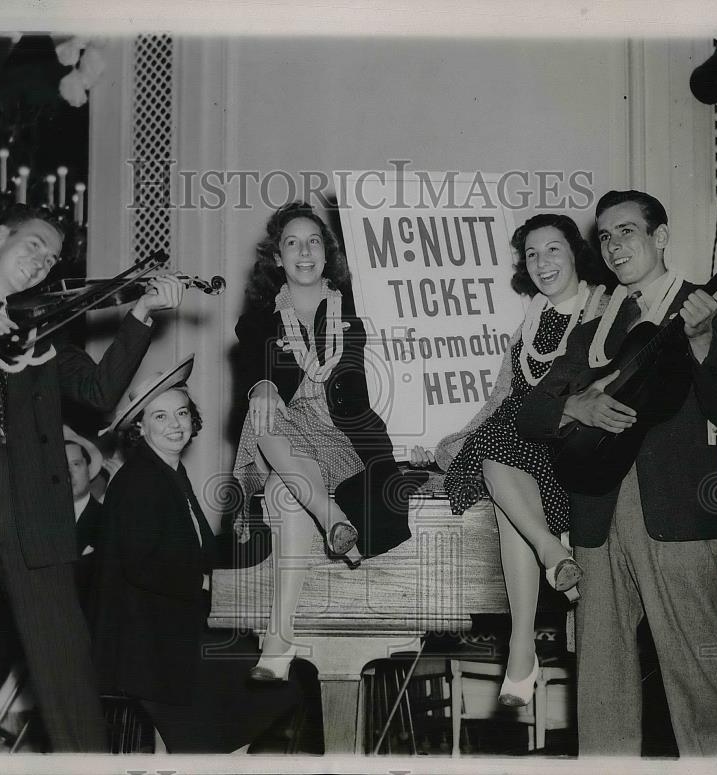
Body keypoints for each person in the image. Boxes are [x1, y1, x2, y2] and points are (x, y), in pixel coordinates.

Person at [0, 205, 185, 752]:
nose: (44, 261)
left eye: (53, 257)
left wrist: (140, 315)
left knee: (70, 678)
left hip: (35, 517)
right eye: (36, 244)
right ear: (1, 234)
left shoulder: (41, 326)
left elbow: (97, 391)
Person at [518, 190, 717, 755]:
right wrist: (576, 406)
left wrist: (701, 340)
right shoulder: (594, 326)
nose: (614, 245)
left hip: (676, 516)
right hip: (597, 517)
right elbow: (529, 411)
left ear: (660, 236)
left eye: (627, 231)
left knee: (701, 678)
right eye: (605, 236)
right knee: (601, 684)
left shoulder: (713, 305)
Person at [411, 213, 611, 706]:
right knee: (497, 456)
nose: (542, 263)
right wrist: (447, 446)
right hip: (516, 448)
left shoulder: (604, 310)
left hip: (571, 452)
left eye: (553, 249)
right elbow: (500, 401)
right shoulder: (528, 327)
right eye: (532, 254)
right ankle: (546, 568)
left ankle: (523, 646)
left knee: (500, 457)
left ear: (575, 253)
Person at [232, 201, 412, 681]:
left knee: (283, 490)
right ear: (277, 257)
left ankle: (278, 639)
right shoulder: (257, 321)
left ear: (327, 254)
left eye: (313, 241)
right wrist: (261, 383)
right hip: (282, 437)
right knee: (265, 413)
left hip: (340, 441)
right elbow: (252, 362)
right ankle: (331, 524)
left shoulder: (355, 311)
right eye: (292, 243)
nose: (304, 251)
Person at [90, 362, 301, 752]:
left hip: (172, 631)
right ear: (140, 428)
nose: (175, 425)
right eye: (160, 416)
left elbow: (192, 550)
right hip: (150, 645)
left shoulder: (168, 471)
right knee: (262, 681)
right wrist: (206, 582)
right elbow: (141, 565)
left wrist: (247, 537)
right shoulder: (139, 480)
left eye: (182, 413)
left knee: (267, 677)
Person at [63, 425, 105, 611]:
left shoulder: (108, 519)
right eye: (61, 466)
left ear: (88, 468)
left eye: (76, 464)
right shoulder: (38, 523)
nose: (69, 473)